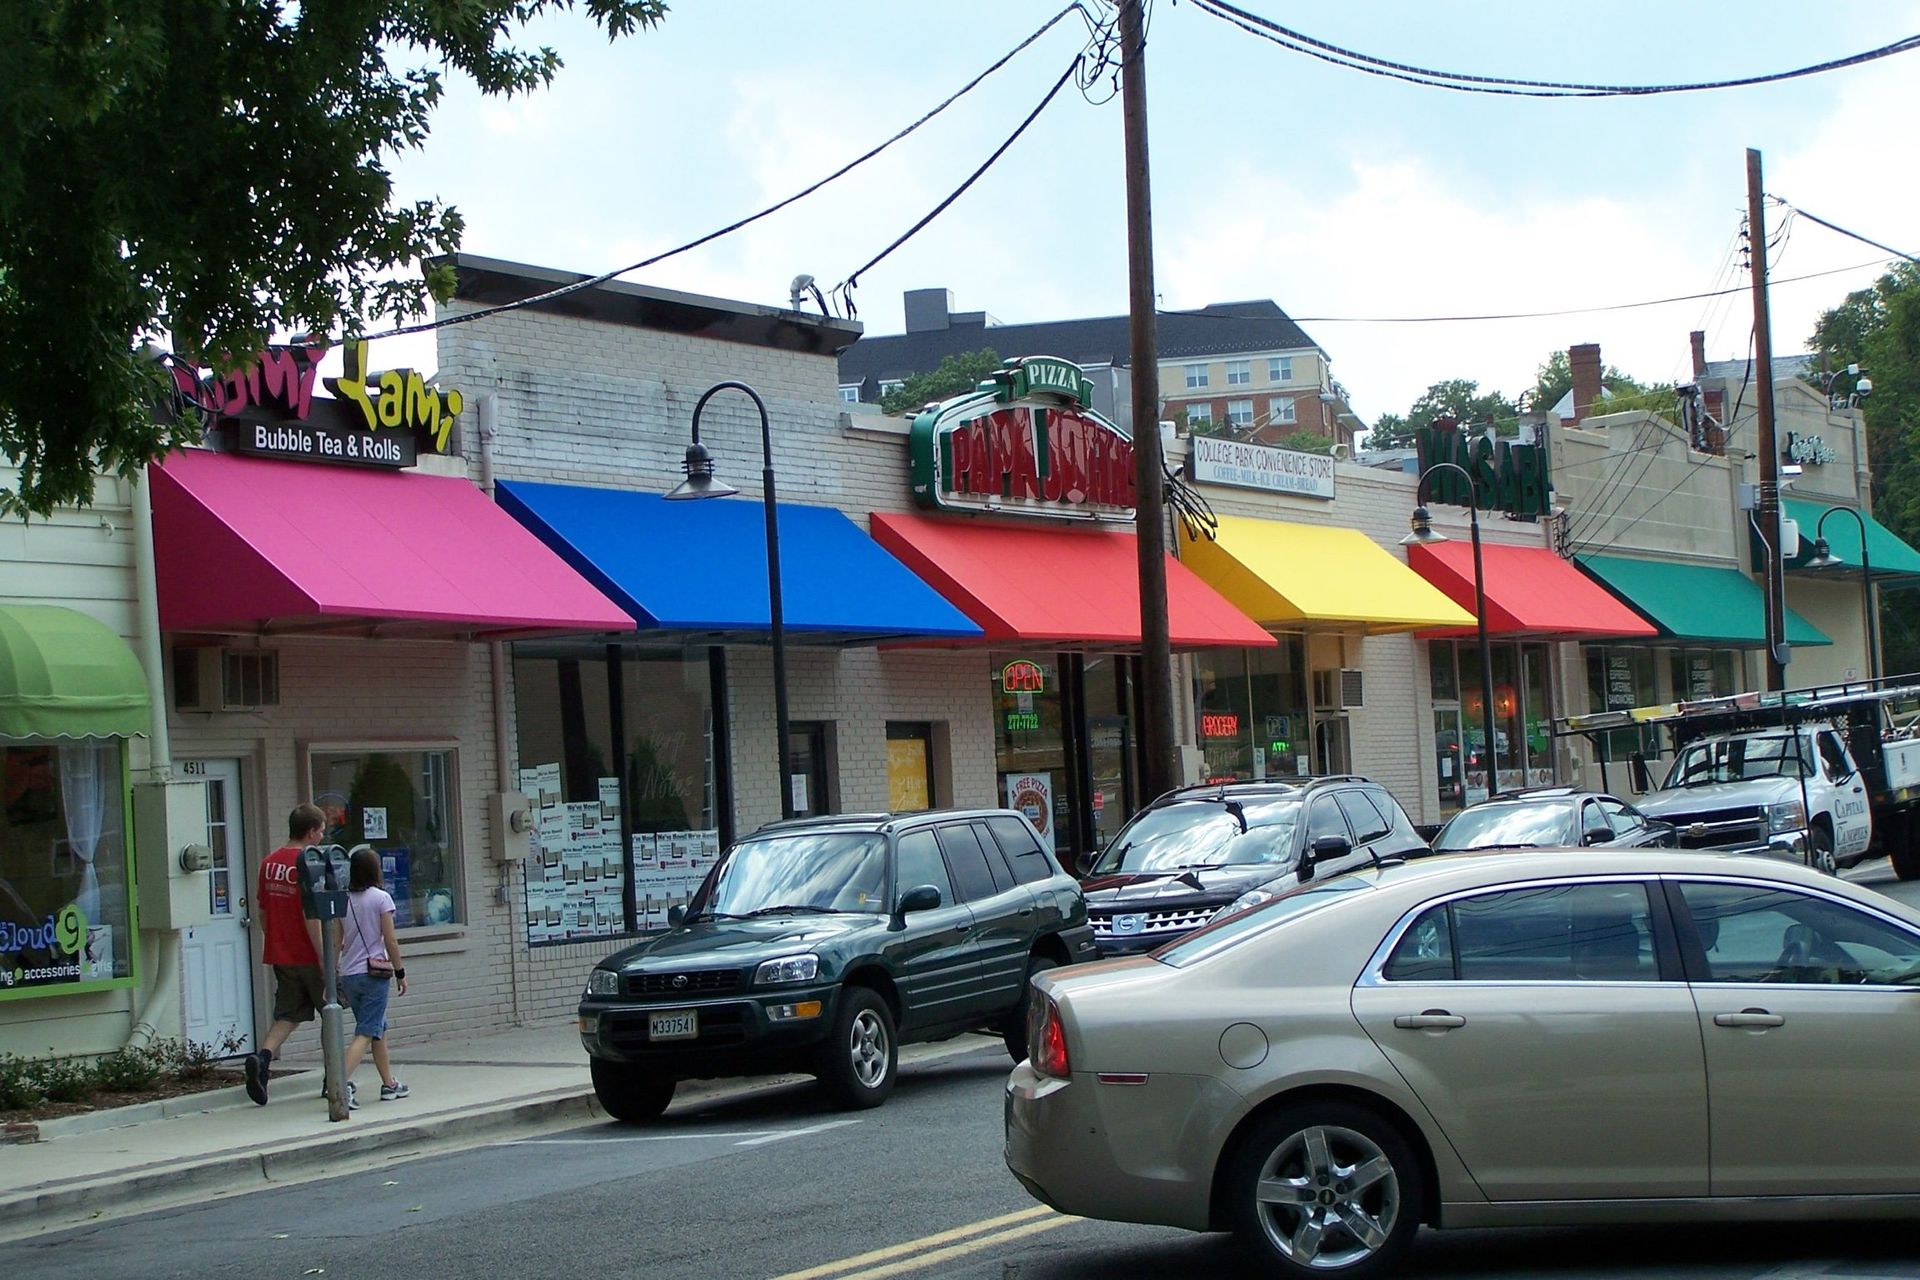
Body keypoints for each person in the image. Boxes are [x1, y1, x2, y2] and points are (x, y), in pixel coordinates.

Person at [246, 803, 327, 1106]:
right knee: (329, 1012)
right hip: (307, 952)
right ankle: (332, 1078)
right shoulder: (309, 862)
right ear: (310, 831)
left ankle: (262, 1059)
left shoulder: (269, 863)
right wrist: (323, 957)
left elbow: (263, 909)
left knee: (288, 1014)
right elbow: (312, 915)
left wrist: (273, 939)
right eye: (321, 830)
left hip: (281, 953)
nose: (322, 836)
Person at [337, 844, 408, 1109]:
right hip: (374, 974)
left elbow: (336, 941)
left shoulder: (343, 899)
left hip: (349, 974)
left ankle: (389, 1083)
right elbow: (390, 939)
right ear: (375, 870)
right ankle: (339, 1084)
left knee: (378, 1028)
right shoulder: (381, 898)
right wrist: (400, 972)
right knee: (366, 1032)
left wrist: (331, 975)